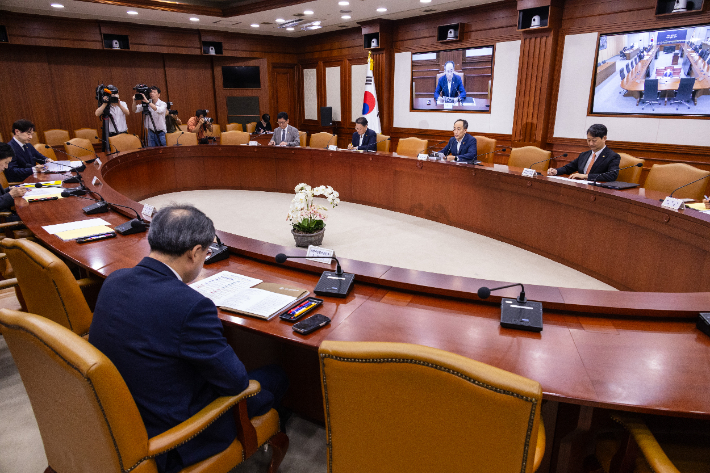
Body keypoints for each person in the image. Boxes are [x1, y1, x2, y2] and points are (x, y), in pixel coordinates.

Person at [89, 204, 289, 473]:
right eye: (207, 253)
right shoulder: (190, 306)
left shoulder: (115, 280)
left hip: (119, 415)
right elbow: (236, 382)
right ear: (195, 253)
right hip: (174, 437)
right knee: (274, 376)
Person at [547, 124, 620, 182]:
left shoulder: (612, 156)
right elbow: (569, 168)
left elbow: (611, 175)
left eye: (594, 140)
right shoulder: (584, 155)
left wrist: (586, 176)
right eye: (588, 140)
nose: (591, 143)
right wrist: (556, 171)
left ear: (604, 138)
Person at [0, 143, 28, 214]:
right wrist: (11, 195)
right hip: (4, 218)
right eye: (6, 162)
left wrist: (9, 189)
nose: (6, 167)